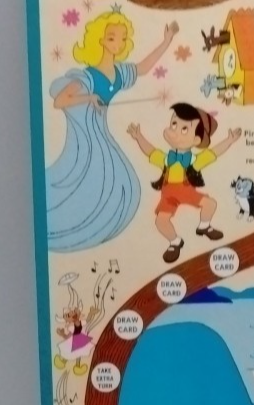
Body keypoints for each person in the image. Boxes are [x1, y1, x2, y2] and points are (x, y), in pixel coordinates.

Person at [46, 13, 178, 252]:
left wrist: (166, 41)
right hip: (88, 133)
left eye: (122, 38)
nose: (118, 44)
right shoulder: (88, 76)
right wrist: (89, 97)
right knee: (92, 175)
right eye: (111, 38)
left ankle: (100, 226)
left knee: (117, 177)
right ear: (99, 40)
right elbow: (60, 101)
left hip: (102, 130)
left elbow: (143, 67)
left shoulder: (119, 72)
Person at [127, 105, 241, 263]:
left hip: (188, 192)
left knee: (210, 204)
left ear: (196, 140)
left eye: (184, 129)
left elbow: (214, 152)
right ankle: (175, 242)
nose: (174, 130)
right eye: (174, 124)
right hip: (169, 196)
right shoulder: (166, 159)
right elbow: (150, 151)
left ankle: (204, 226)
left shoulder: (194, 161)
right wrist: (139, 137)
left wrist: (229, 140)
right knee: (160, 221)